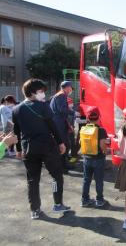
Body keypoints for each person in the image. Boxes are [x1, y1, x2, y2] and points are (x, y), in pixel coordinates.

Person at [12, 78, 70, 219]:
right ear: (32, 92)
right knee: (56, 176)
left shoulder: (16, 109)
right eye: (41, 91)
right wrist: (60, 142)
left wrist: (18, 149)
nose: (43, 94)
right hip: (47, 147)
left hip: (28, 149)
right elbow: (52, 126)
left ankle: (35, 210)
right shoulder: (43, 106)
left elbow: (16, 132)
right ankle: (57, 204)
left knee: (32, 180)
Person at [80, 106, 108, 207]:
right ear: (99, 117)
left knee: (86, 179)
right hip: (98, 159)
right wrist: (105, 152)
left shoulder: (83, 129)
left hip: (86, 158)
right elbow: (102, 145)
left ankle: (84, 199)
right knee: (99, 180)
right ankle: (99, 200)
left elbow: (80, 142)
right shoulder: (101, 130)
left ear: (87, 118)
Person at [50, 81, 74, 173]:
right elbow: (62, 110)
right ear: (66, 87)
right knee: (62, 145)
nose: (71, 89)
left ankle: (64, 164)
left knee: (65, 144)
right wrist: (73, 112)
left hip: (59, 123)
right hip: (59, 124)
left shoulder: (59, 95)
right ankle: (60, 167)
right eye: (70, 88)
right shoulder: (61, 96)